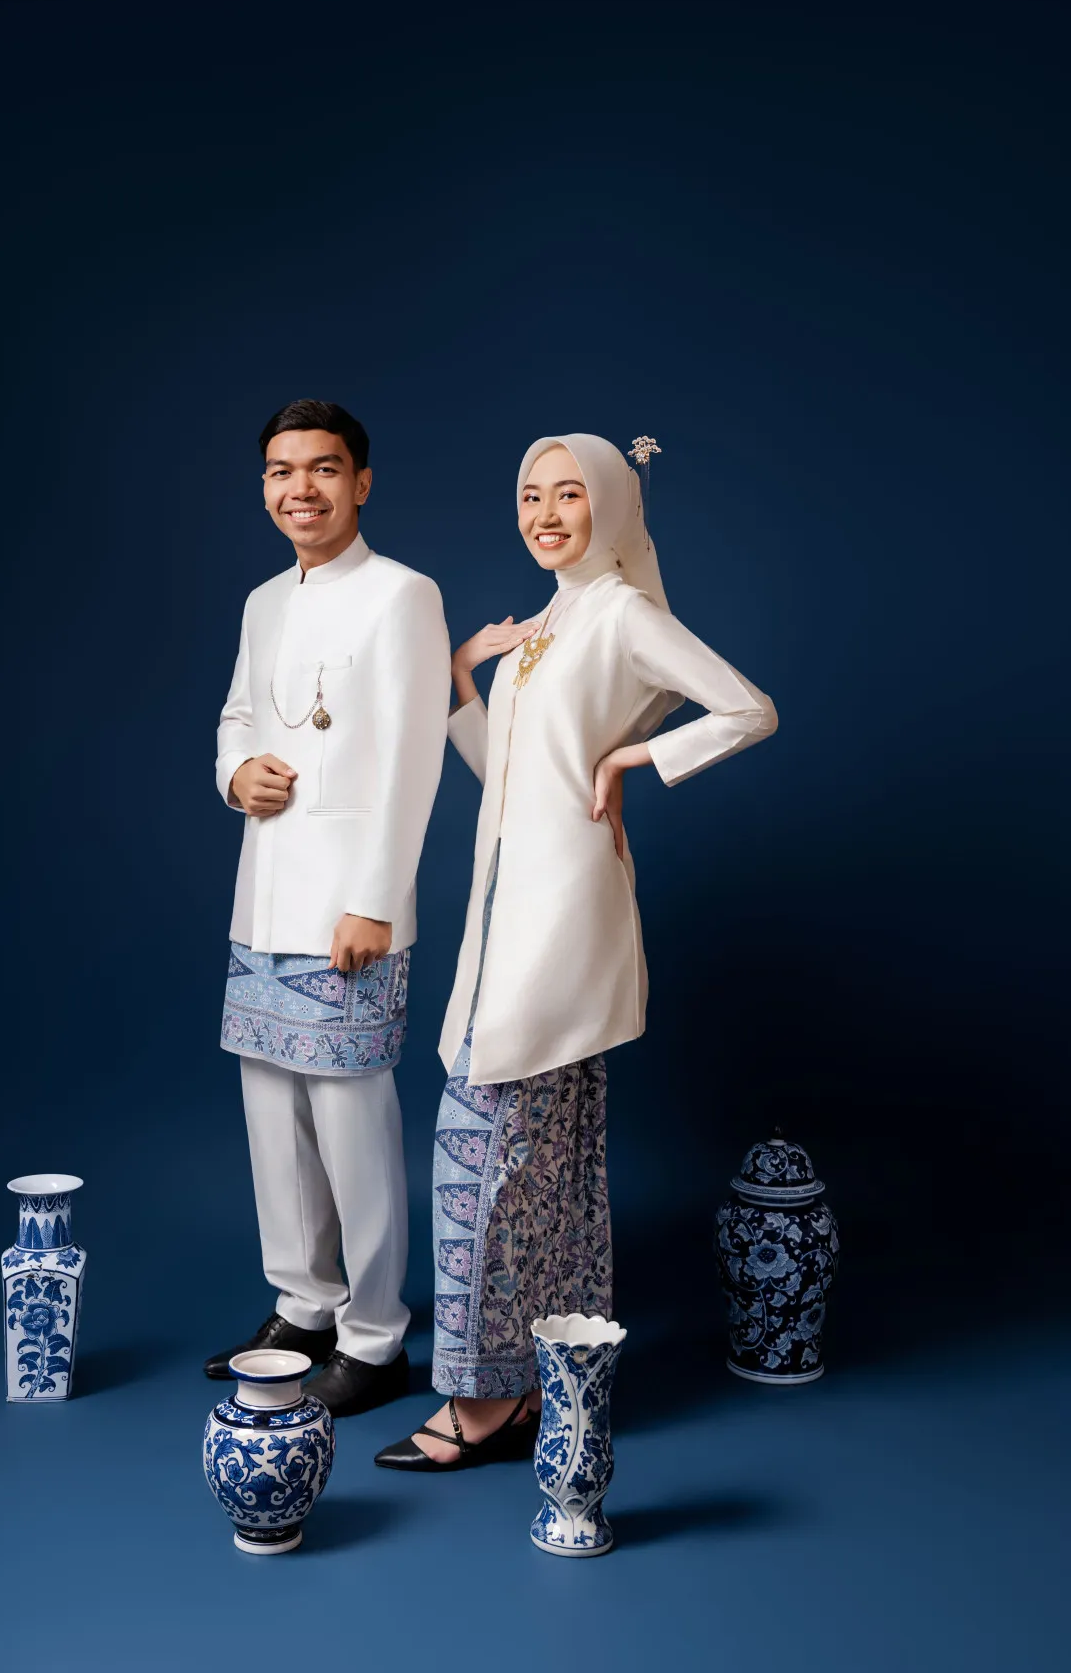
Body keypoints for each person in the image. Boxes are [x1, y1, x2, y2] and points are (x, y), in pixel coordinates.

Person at [374, 431, 778, 1469]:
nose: (546, 515)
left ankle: (481, 1401)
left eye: (568, 494)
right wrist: (465, 678)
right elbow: (514, 776)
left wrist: (639, 754)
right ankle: (541, 1385)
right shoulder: (543, 625)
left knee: (492, 1151)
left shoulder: (622, 615)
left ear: (610, 503)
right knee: (542, 1162)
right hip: (504, 911)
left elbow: (749, 708)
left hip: (562, 914)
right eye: (530, 496)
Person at [206, 399, 451, 1417]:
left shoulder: (403, 594)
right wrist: (236, 773)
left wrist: (375, 901)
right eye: (280, 471)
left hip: (351, 902)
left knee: (351, 1118)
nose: (299, 489)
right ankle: (304, 1304)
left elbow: (415, 759)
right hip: (265, 890)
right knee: (272, 1110)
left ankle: (376, 1332)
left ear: (361, 482)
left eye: (322, 468)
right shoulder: (264, 600)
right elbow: (236, 716)